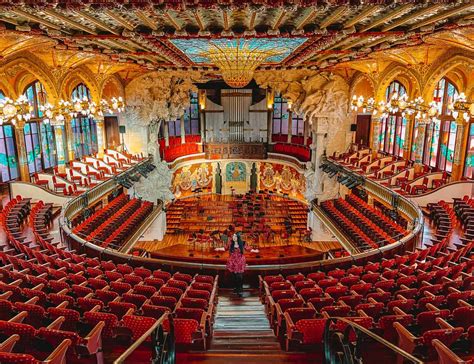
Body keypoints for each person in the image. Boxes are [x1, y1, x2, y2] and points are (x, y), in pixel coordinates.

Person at [226, 232, 247, 296]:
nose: (233, 237)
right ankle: (235, 287)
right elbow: (226, 248)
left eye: (235, 236)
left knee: (239, 276)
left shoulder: (243, 243)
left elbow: (247, 249)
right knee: (234, 276)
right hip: (233, 261)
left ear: (238, 237)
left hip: (240, 261)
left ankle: (240, 288)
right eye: (233, 236)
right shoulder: (231, 243)